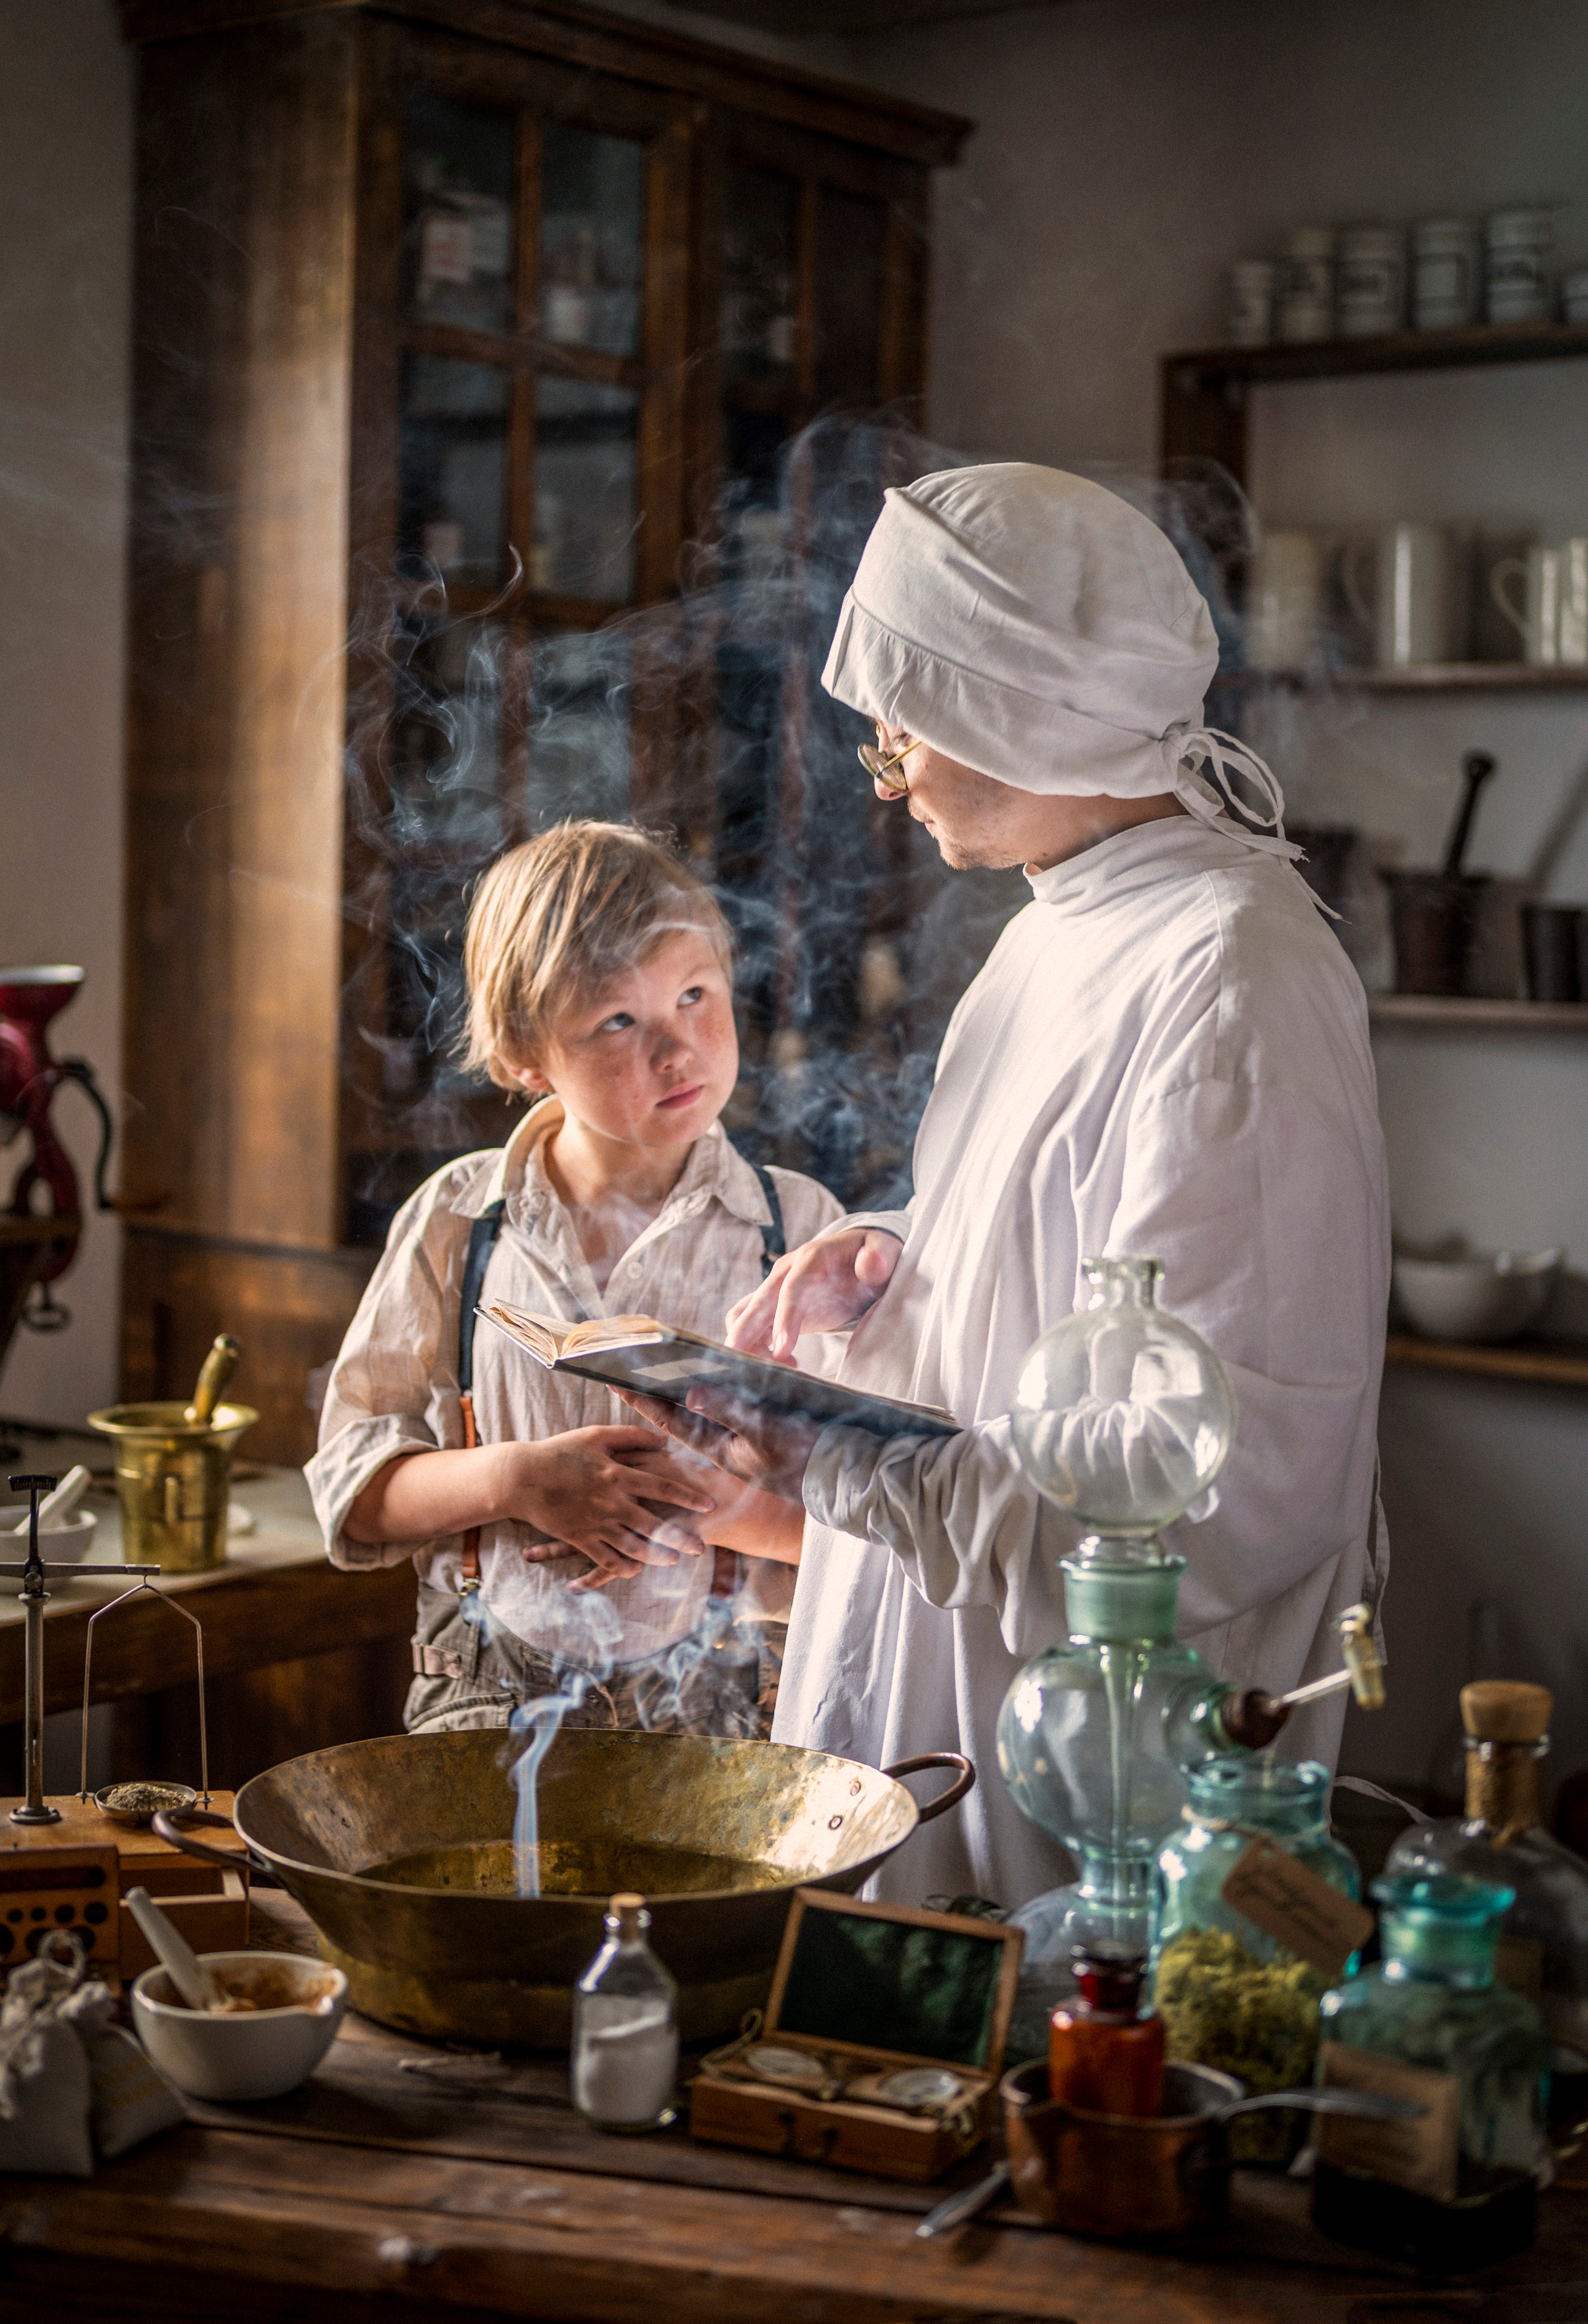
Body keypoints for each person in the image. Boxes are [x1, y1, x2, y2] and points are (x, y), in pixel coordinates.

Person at [676, 464, 1390, 1910]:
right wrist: (885, 1257)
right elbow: (1058, 1245)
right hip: (938, 1671)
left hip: (1082, 1770)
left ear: (1014, 712)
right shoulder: (1062, 924)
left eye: (901, 732)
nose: (892, 775)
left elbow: (1218, 1491)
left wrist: (845, 1459)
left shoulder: (1229, 972)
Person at [306, 821, 842, 1736]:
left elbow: (868, 1529)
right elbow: (354, 1494)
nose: (678, 1052)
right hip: (483, 1702)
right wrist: (514, 1479)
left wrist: (717, 1509)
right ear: (525, 1054)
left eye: (695, 996)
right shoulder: (459, 1222)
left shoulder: (799, 1232)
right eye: (619, 1022)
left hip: (726, 1713)